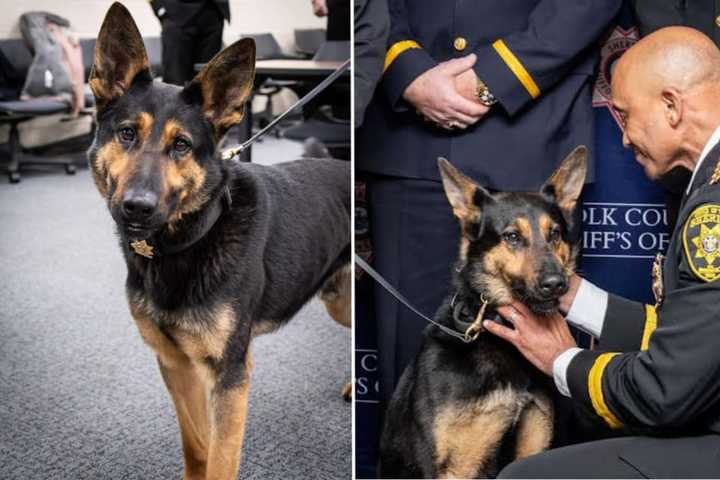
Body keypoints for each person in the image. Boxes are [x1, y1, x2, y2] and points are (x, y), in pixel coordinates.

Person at [356, 0, 623, 406]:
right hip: (410, 139)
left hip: (534, 132)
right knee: (411, 388)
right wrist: (407, 72)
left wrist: (493, 78)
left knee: (535, 398)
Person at [486, 26, 720, 478]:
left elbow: (663, 392)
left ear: (671, 106)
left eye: (626, 114)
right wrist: (576, 299)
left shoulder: (712, 211)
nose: (624, 137)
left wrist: (561, 360)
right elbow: (696, 336)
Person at [149, 0, 230, 86]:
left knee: (208, 82)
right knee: (175, 81)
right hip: (176, 13)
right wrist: (159, 7)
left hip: (215, 11)